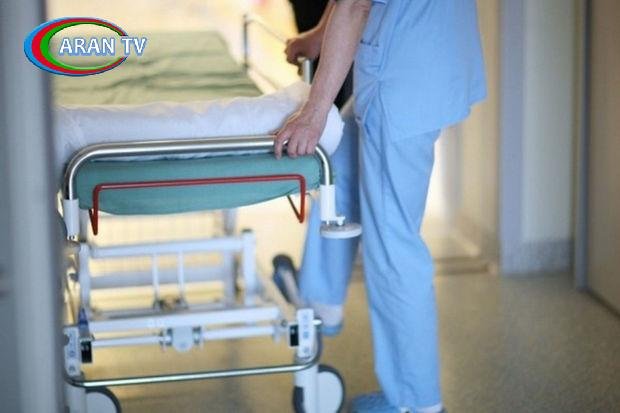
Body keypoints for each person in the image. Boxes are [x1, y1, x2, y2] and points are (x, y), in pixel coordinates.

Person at [275, 1, 486, 412]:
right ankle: (319, 300)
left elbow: (355, 4)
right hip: (425, 51)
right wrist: (320, 36)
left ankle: (414, 401)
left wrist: (313, 113)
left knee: (392, 247)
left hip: (404, 75)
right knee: (340, 162)